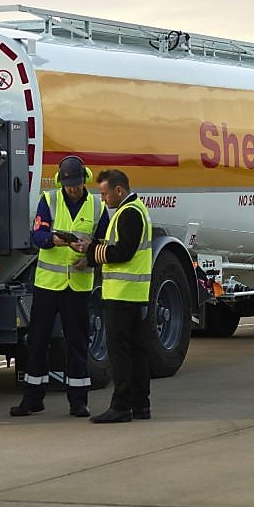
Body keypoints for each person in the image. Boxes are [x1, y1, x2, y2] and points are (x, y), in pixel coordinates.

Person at [10, 155, 109, 418]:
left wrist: (88, 256)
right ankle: (32, 399)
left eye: (76, 184)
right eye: (69, 185)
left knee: (77, 343)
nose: (73, 189)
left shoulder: (97, 208)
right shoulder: (49, 200)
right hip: (48, 285)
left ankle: (79, 401)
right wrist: (54, 240)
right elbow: (37, 234)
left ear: (84, 180)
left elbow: (105, 244)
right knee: (38, 342)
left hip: (78, 287)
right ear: (61, 181)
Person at [73, 169, 153, 423]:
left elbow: (122, 252)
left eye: (105, 193)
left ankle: (121, 406)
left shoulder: (129, 213)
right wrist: (92, 253)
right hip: (134, 294)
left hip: (122, 296)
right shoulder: (133, 210)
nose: (103, 199)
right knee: (137, 352)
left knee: (120, 353)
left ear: (119, 191)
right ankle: (141, 405)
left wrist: (91, 250)